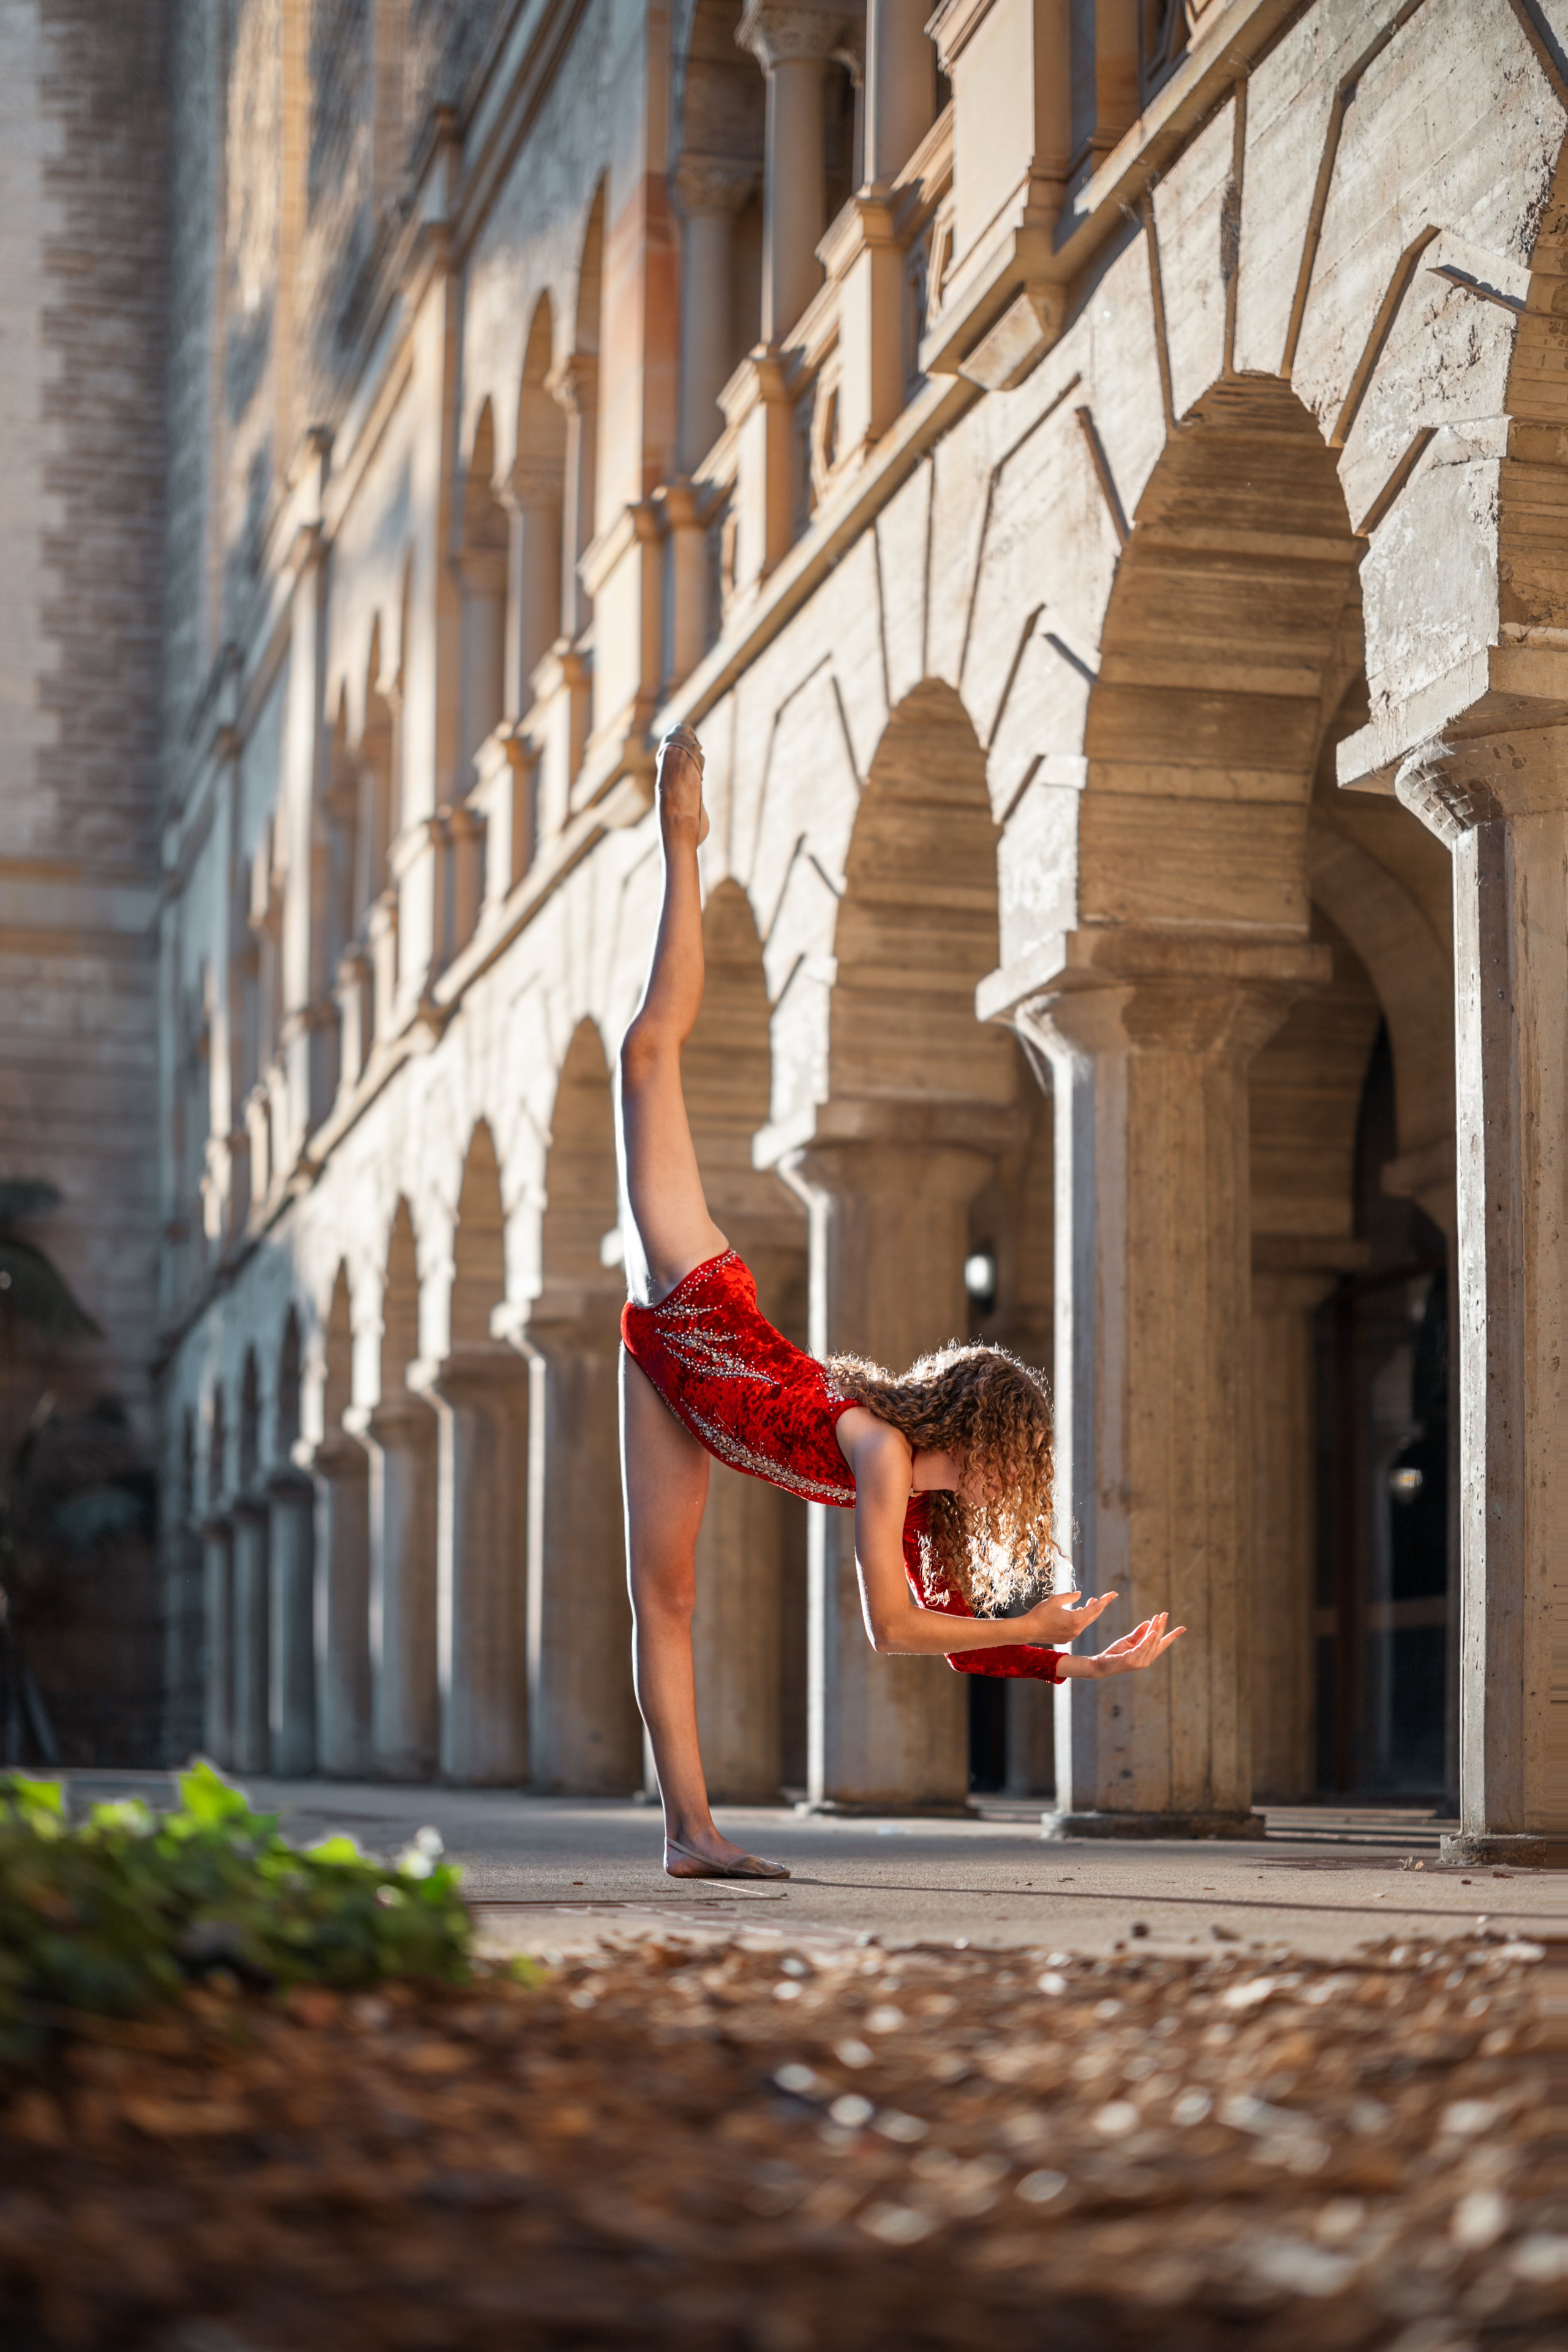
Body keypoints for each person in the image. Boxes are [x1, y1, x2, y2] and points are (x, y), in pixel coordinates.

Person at [617, 724, 1185, 1880]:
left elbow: (950, 1641)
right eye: (1013, 1462)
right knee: (646, 1058)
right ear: (977, 1436)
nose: (1011, 1486)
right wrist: (1032, 1626)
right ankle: (682, 841)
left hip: (678, 1395)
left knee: (664, 1599)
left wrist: (1082, 1666)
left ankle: (689, 1835)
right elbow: (894, 1628)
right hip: (700, 1313)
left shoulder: (922, 1505)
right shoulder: (881, 1450)